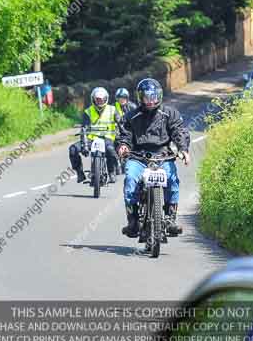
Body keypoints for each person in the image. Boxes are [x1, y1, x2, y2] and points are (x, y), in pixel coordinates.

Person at [116, 78, 190, 238]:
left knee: (172, 181)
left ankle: (170, 219)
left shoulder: (170, 113)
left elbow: (179, 131)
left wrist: (183, 149)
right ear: (140, 97)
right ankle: (133, 221)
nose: (150, 101)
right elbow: (124, 135)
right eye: (146, 97)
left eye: (154, 97)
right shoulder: (130, 116)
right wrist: (123, 146)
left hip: (163, 156)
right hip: (137, 157)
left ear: (160, 96)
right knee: (130, 179)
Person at [69, 87, 121, 184]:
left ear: (106, 99)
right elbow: (84, 128)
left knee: (110, 150)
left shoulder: (112, 110)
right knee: (73, 149)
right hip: (91, 139)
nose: (100, 102)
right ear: (93, 99)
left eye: (102, 100)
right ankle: (80, 173)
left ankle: (111, 172)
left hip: (107, 138)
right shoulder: (88, 111)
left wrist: (121, 132)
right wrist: (84, 144)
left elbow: (121, 124)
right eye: (97, 100)